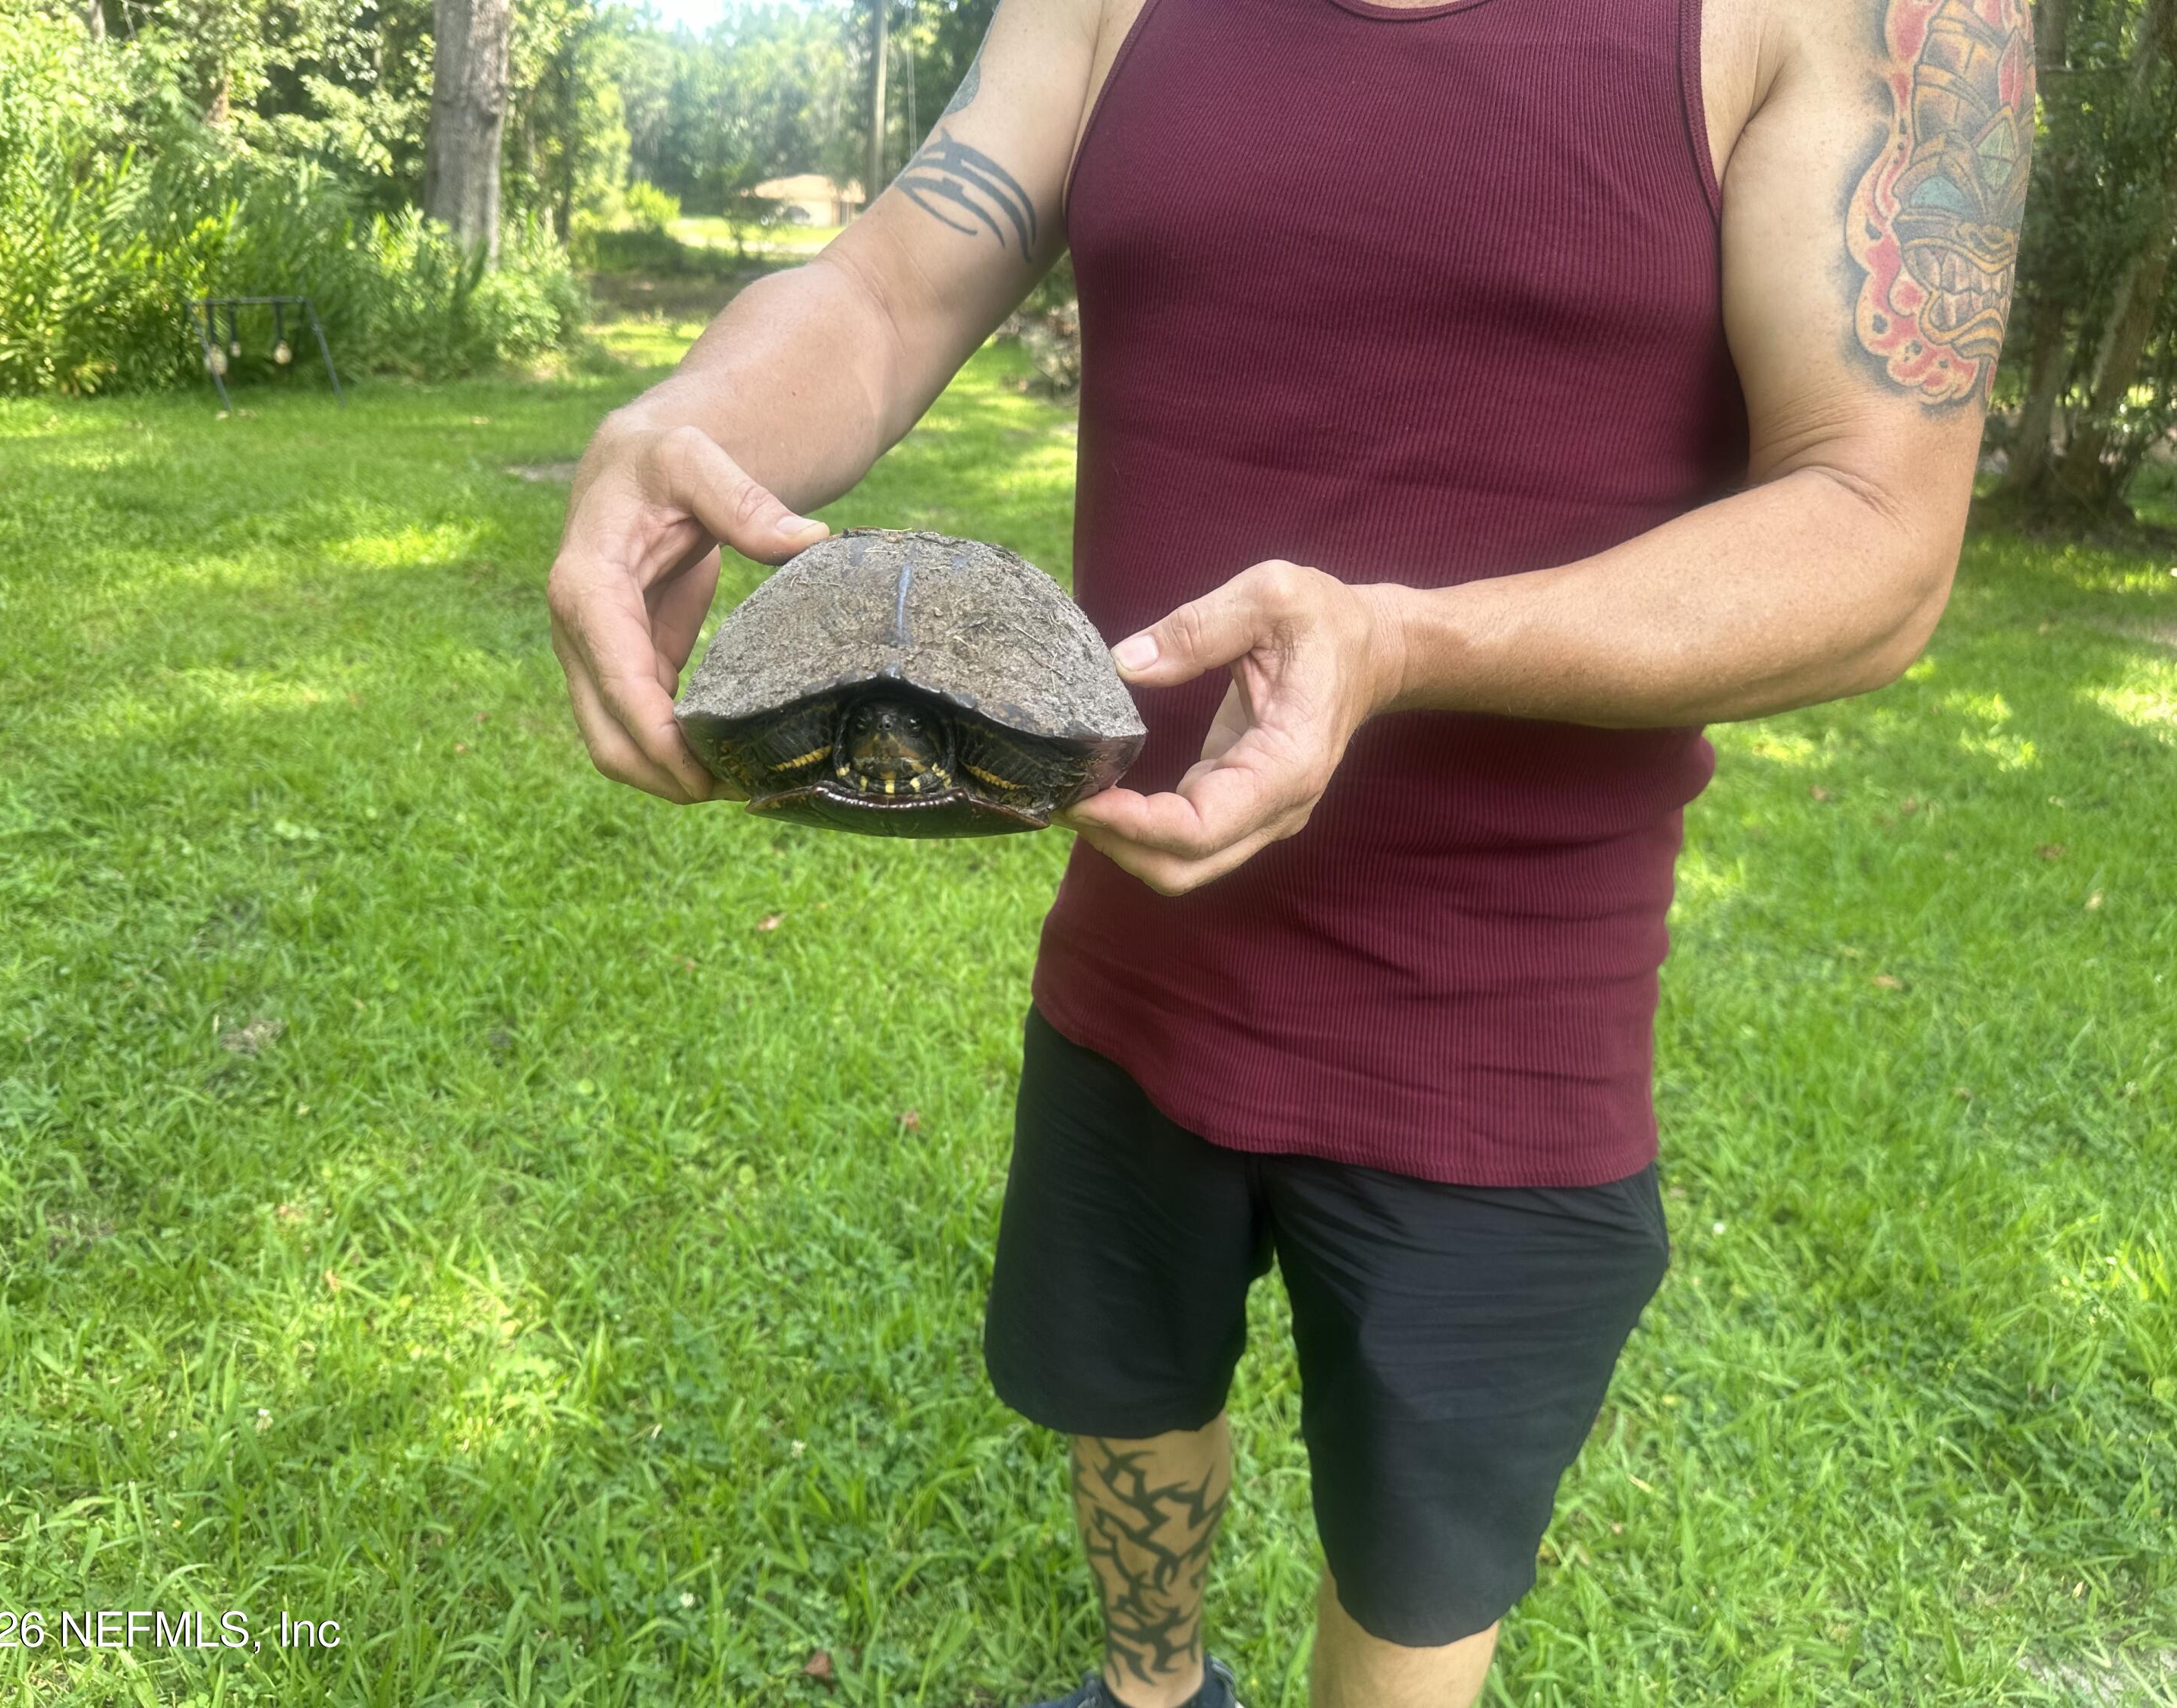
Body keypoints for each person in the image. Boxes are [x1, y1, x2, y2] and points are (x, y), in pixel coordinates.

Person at [546, 0, 2033, 1699]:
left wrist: (1406, 645)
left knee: (1416, 1562)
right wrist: (689, 424)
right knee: (1128, 1396)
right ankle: (1152, 1687)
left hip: (1503, 1026)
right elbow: (891, 282)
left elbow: (1879, 530)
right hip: (1137, 956)